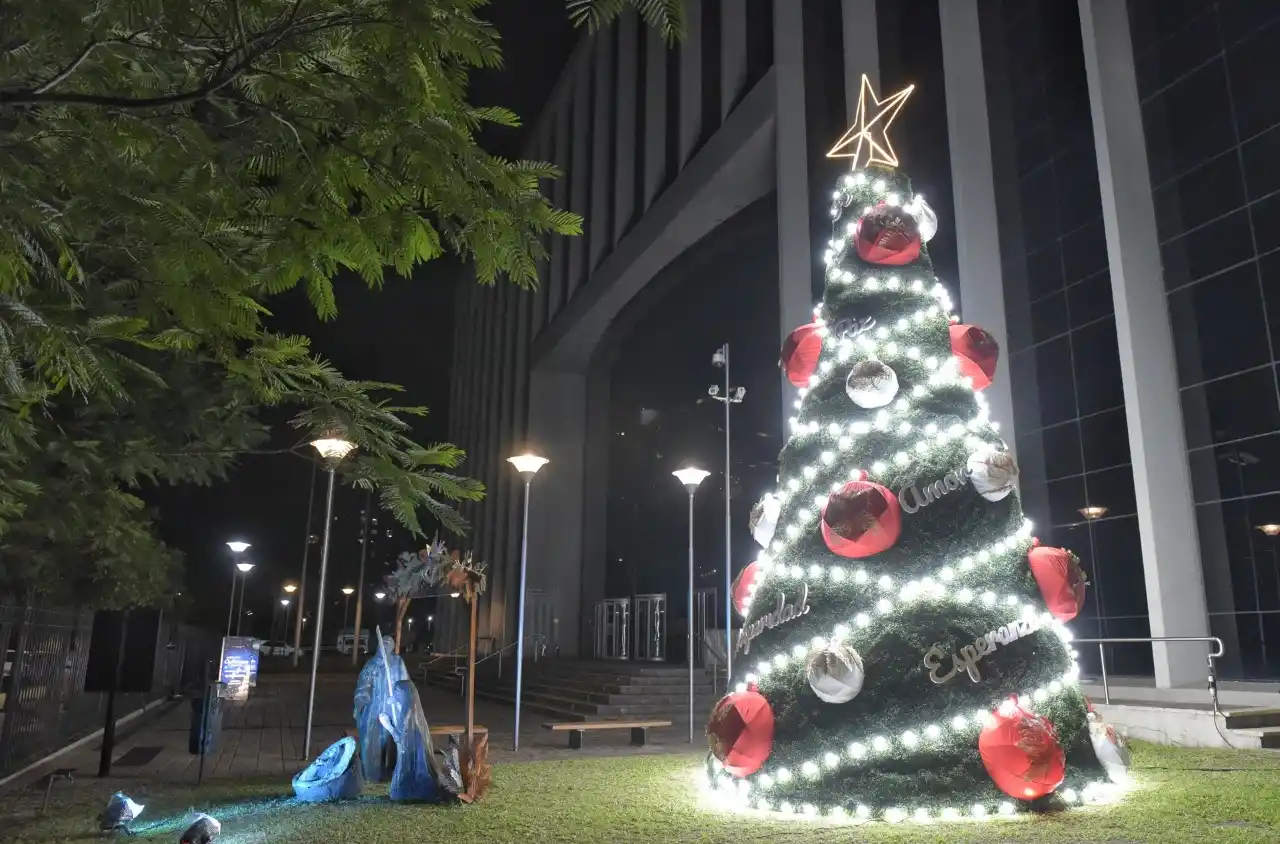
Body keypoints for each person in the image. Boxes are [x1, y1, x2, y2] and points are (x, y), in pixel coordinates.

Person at [352, 635, 408, 782]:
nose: (385, 646)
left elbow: (405, 684)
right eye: (383, 643)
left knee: (394, 741)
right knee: (373, 740)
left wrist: (399, 698)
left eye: (389, 643)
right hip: (375, 708)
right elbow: (364, 686)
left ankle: (394, 772)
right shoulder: (372, 664)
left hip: (393, 708)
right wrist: (361, 704)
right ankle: (372, 773)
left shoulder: (398, 662)